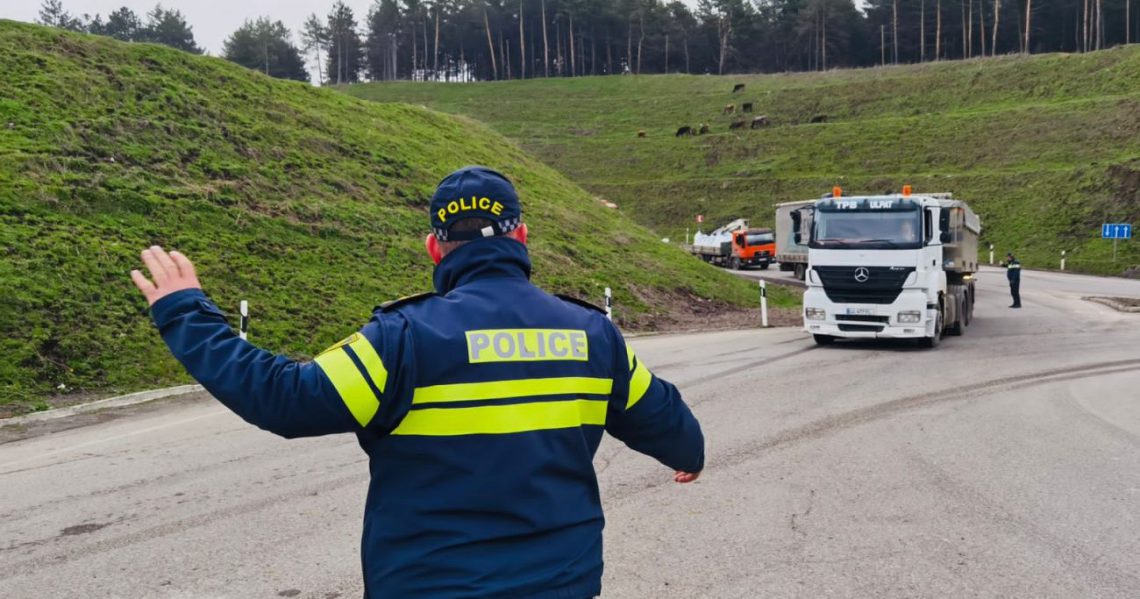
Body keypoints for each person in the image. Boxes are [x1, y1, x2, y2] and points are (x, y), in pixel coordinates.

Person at [130, 166, 705, 599]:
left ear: (435, 246)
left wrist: (186, 312)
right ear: (522, 236)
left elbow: (283, 398)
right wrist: (687, 453)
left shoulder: (403, 337)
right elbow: (664, 418)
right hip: (564, 581)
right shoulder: (591, 334)